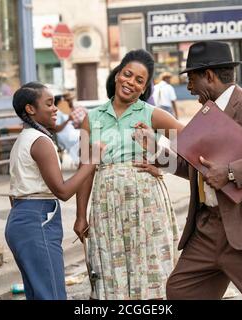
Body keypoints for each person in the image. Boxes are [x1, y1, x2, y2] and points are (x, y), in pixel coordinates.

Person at [144, 41, 242, 300]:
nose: (189, 88)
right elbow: (195, 168)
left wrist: (229, 172)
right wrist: (156, 152)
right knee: (181, 290)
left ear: (210, 76)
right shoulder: (205, 114)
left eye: (191, 79)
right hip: (208, 230)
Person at [74, 49, 184, 300]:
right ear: (117, 74)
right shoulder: (91, 118)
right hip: (106, 206)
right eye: (127, 74)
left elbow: (188, 140)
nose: (130, 83)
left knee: (149, 265)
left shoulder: (151, 114)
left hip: (146, 204)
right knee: (110, 269)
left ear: (144, 88)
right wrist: (81, 215)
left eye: (139, 80)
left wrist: (163, 163)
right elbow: (85, 169)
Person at [4, 82, 103, 300]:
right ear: (30, 109)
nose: (55, 108)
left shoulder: (24, 139)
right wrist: (91, 162)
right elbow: (63, 191)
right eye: (49, 103)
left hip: (21, 219)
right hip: (37, 219)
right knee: (52, 295)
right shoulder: (41, 141)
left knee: (39, 294)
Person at [53, 94, 81, 166]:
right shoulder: (57, 112)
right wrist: (68, 120)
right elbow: (57, 129)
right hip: (64, 135)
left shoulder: (63, 111)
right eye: (63, 101)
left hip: (70, 132)